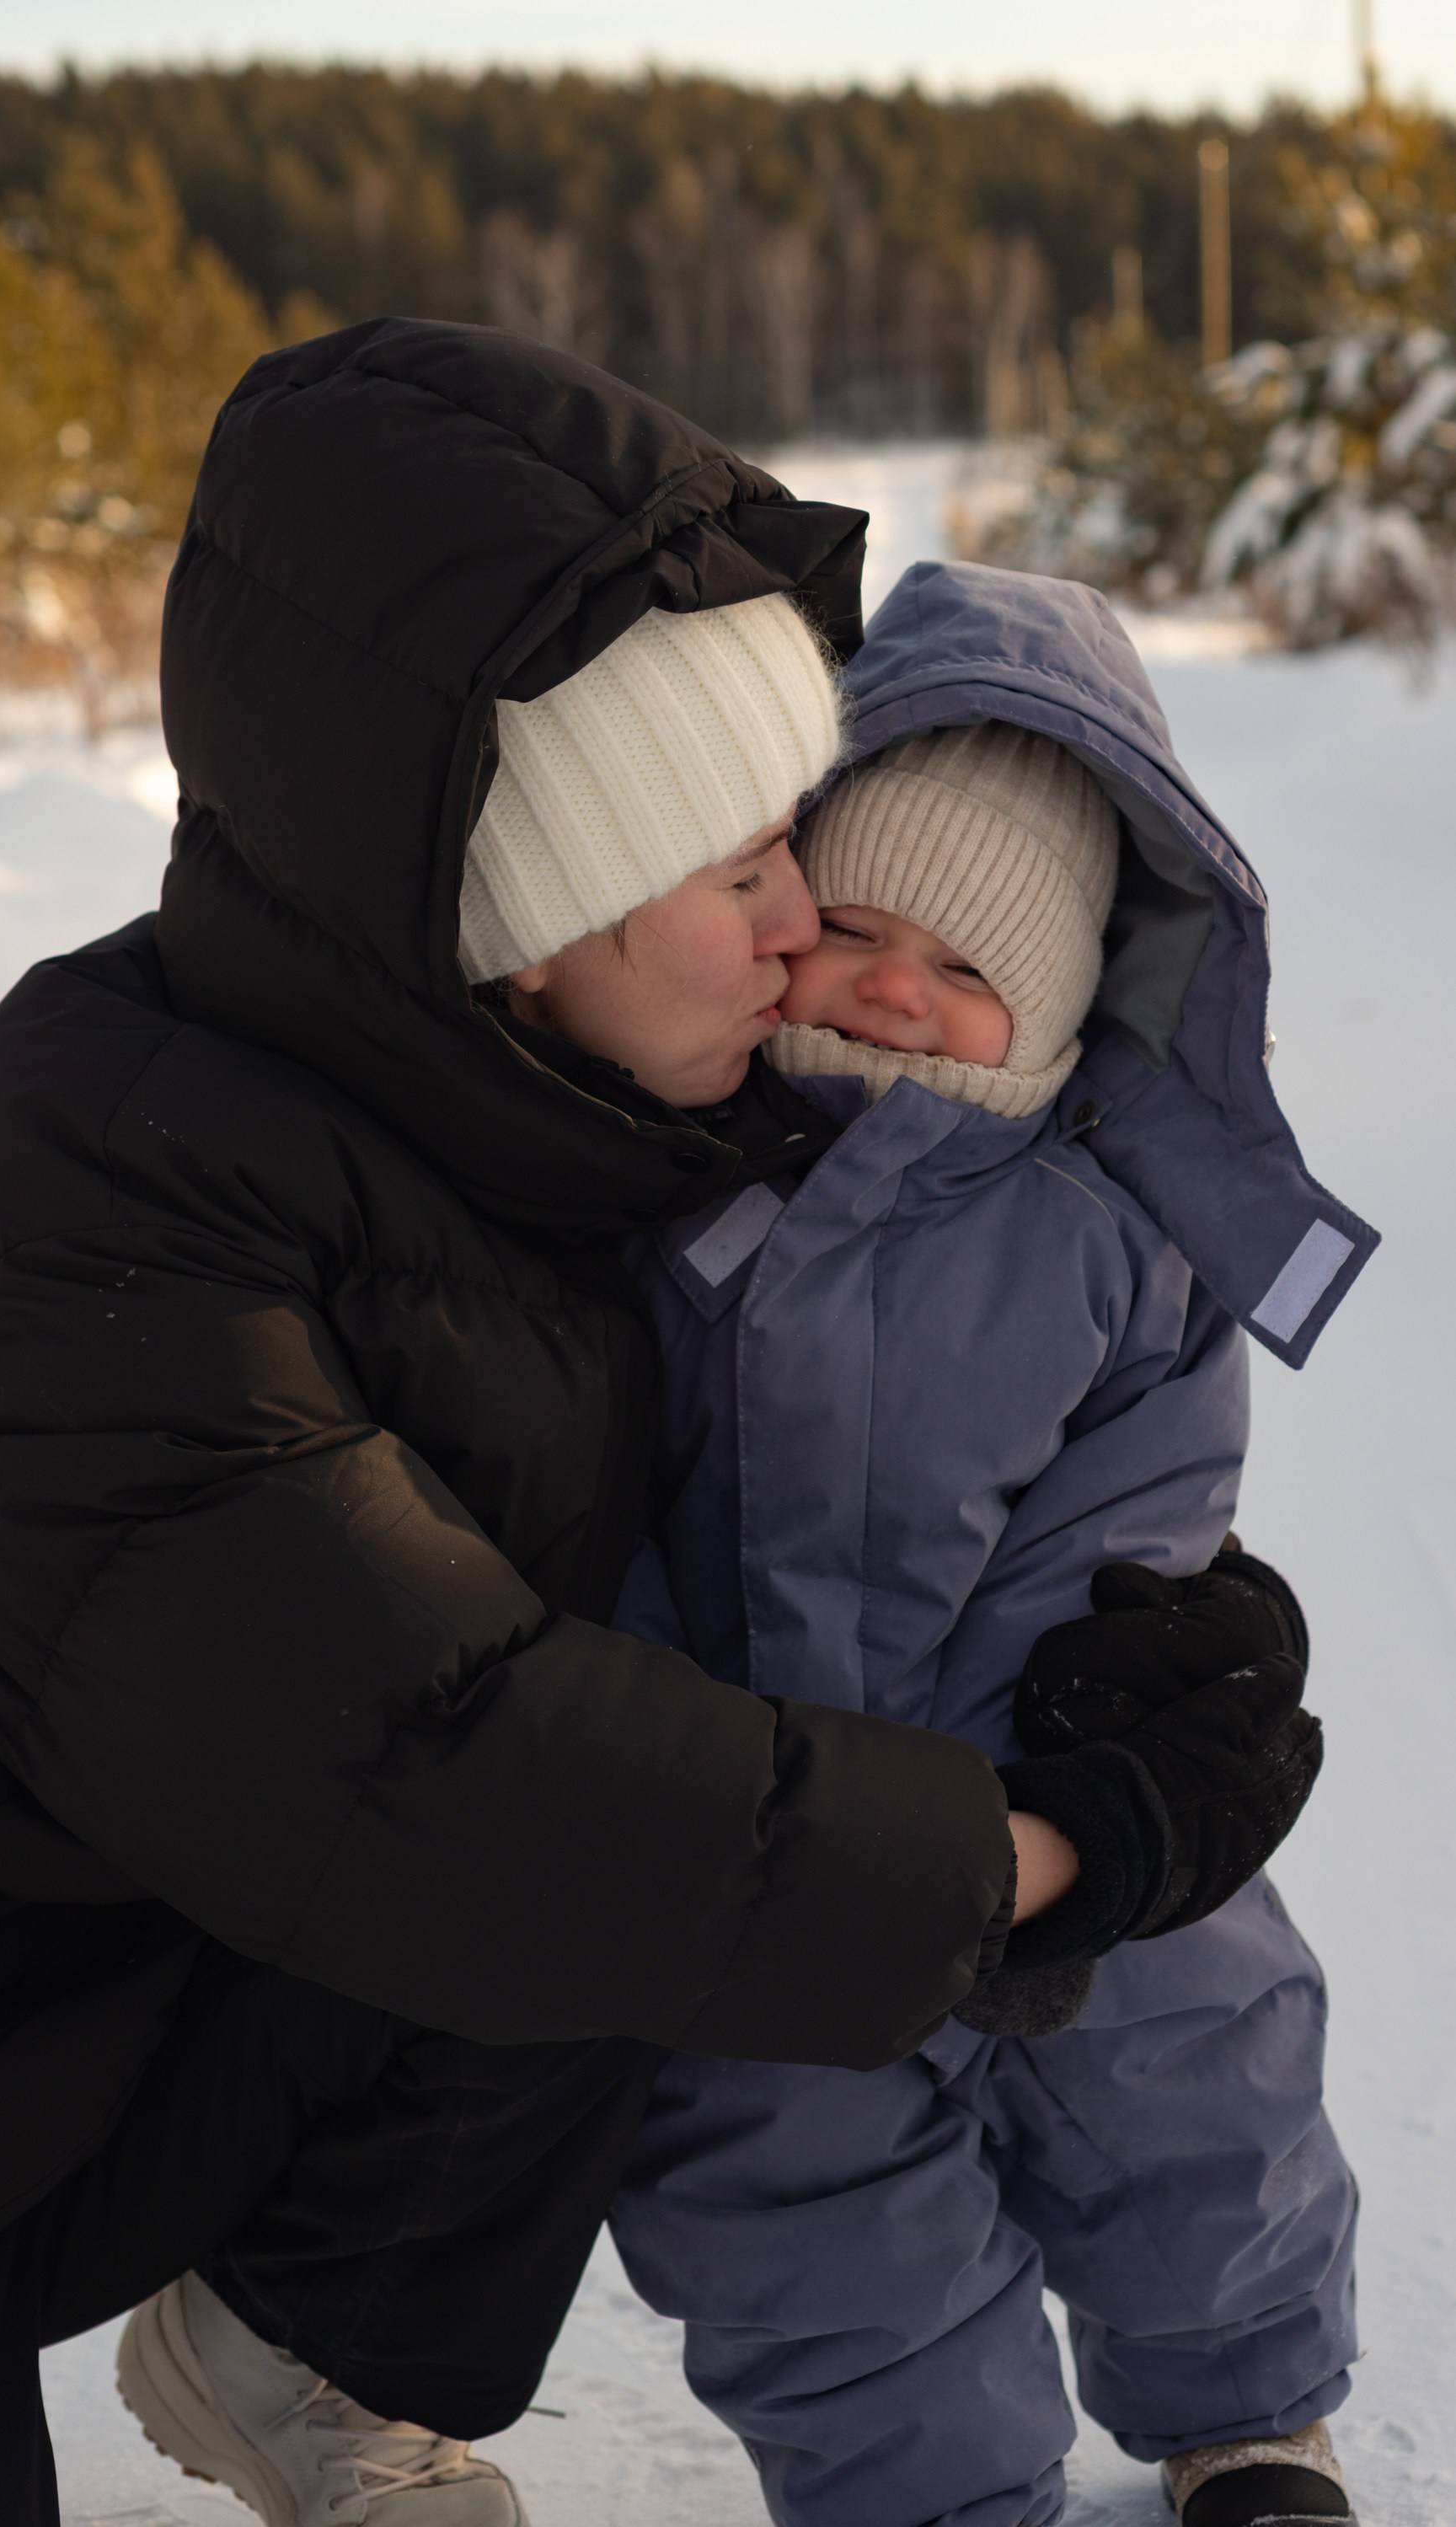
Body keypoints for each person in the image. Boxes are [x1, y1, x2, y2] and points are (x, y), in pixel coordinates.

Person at [0, 327, 1323, 2527]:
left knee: (648, 1795)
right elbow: (439, 1772)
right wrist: (1049, 1853)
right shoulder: (107, 1220)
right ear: (520, 928)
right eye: (744, 877)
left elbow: (869, 1402)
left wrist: (1141, 1604)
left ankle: (307, 2344)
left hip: (104, 1981)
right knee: (581, 1822)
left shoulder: (554, 1095)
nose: (807, 941)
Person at [607, 562, 1375, 2527]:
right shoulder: (672, 1191)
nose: (885, 984)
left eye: (959, 967)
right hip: (752, 1850)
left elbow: (1136, 1527)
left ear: (1050, 1004)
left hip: (1037, 1778)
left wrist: (1046, 1805)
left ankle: (1247, 2411)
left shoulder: (1119, 1243)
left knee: (1197, 2071)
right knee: (800, 2210)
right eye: (847, 925)